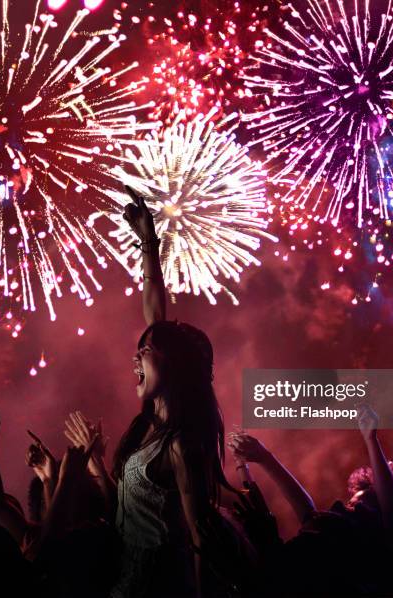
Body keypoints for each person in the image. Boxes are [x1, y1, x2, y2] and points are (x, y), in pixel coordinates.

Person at [96, 186, 235, 598]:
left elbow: (199, 538)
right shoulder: (146, 429)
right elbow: (156, 320)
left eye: (146, 353)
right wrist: (149, 244)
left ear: (173, 367)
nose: (135, 358)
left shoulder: (181, 445)